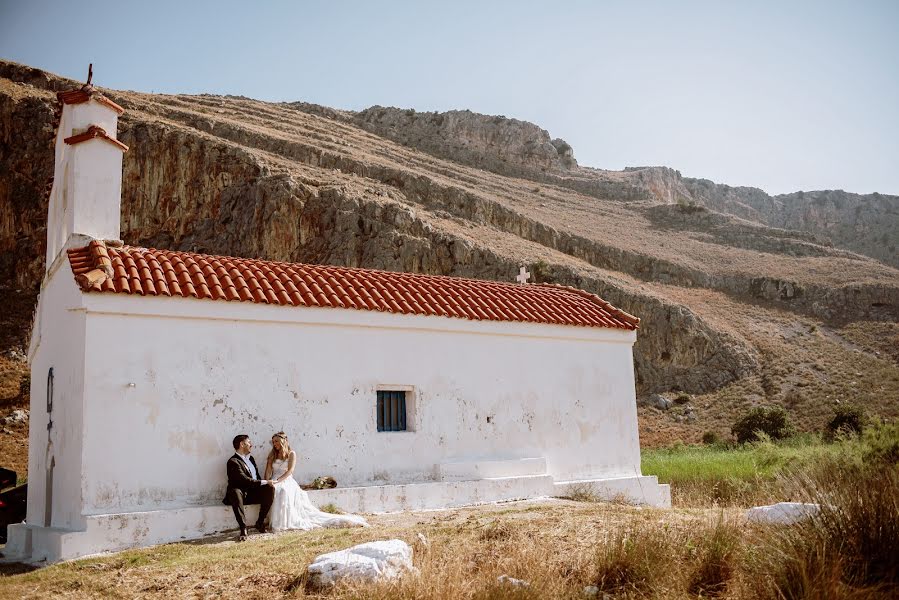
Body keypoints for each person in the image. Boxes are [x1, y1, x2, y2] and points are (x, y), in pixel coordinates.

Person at [264, 431, 368, 531]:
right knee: (274, 490)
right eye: (273, 442)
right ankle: (277, 522)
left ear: (283, 441)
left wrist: (278, 481)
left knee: (283, 491)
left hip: (286, 479)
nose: (274, 444)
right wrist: (267, 481)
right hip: (274, 479)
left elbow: (290, 471)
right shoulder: (272, 454)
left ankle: (284, 522)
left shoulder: (291, 454)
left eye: (276, 441)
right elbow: (268, 470)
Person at [223, 434, 275, 541]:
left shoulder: (251, 458)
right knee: (235, 491)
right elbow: (244, 480)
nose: (251, 444)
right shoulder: (233, 461)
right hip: (240, 494)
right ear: (242, 444)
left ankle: (260, 522)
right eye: (249, 442)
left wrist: (266, 484)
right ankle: (243, 528)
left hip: (252, 493)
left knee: (270, 488)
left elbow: (256, 477)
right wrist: (265, 481)